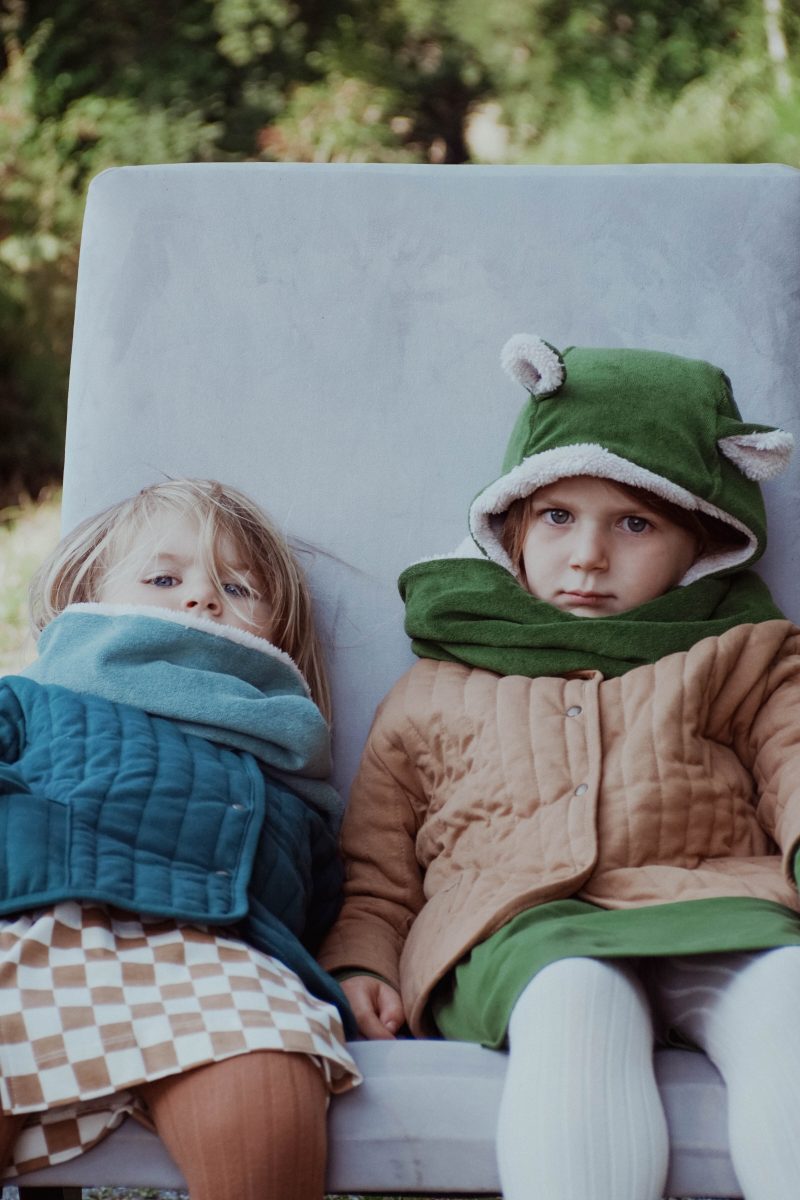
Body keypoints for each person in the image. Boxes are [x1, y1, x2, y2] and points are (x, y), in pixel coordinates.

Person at [319, 335, 800, 1200]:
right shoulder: (437, 685)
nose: (587, 555)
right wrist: (364, 962)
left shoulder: (746, 653)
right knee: (578, 1001)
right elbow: (378, 870)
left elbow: (796, 759)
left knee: (791, 998)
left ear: (702, 543)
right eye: (557, 517)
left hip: (716, 902)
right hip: (521, 928)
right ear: (510, 525)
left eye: (635, 523)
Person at [0, 478, 359, 1200]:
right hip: (34, 930)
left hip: (220, 958)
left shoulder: (286, 771)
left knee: (267, 1101)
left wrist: (361, 968)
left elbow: (332, 907)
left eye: (240, 589)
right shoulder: (34, 700)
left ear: (278, 638)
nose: (201, 598)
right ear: (87, 597)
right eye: (164, 578)